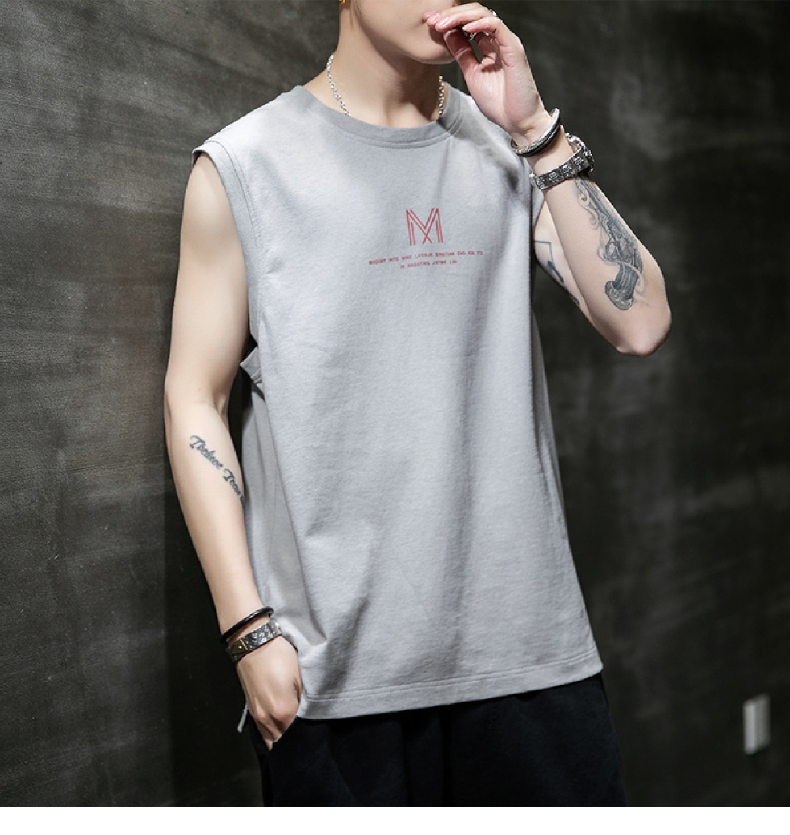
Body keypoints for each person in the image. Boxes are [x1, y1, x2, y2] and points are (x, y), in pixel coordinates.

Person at [164, 0, 670, 806]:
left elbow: (639, 322)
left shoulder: (509, 149)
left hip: (530, 662)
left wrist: (534, 128)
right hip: (336, 681)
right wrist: (249, 632)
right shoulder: (247, 164)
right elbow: (195, 397)